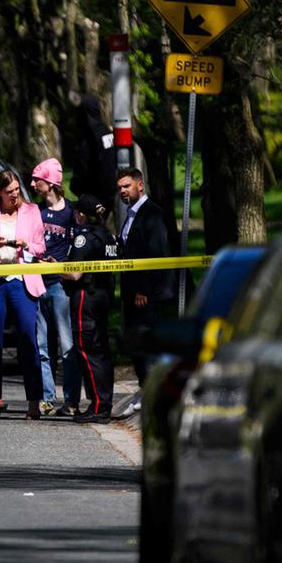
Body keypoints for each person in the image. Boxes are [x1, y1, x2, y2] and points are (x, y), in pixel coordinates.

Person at [0, 169, 47, 420]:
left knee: (27, 339)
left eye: (16, 190)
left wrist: (25, 246)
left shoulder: (32, 211)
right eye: (9, 191)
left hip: (22, 281)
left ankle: (34, 401)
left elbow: (40, 247)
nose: (14, 195)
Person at [114, 166, 170, 417]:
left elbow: (157, 254)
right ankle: (144, 389)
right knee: (137, 344)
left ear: (140, 185)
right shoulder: (130, 215)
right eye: (120, 189)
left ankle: (152, 394)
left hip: (147, 296)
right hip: (131, 293)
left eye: (126, 186)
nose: (123, 191)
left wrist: (144, 290)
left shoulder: (152, 215)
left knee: (147, 344)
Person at [59, 194, 118, 422]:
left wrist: (51, 268)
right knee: (101, 352)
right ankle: (103, 403)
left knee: (88, 351)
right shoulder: (108, 237)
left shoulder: (84, 238)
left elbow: (74, 273)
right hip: (103, 297)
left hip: (87, 298)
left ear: (81, 214)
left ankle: (98, 407)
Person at [28, 158, 78, 417]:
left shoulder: (71, 212)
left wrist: (63, 265)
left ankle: (71, 400)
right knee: (42, 346)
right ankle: (47, 398)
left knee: (67, 345)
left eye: (37, 179)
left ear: (50, 183)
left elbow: (80, 245)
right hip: (37, 284)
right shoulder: (34, 212)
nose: (33, 184)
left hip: (60, 285)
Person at [68, 98, 118, 209]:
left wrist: (75, 185)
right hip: (113, 191)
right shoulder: (107, 131)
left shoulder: (89, 139)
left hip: (96, 196)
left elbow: (83, 169)